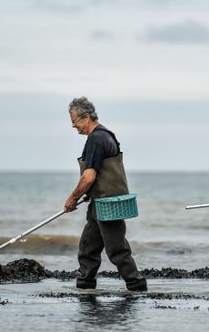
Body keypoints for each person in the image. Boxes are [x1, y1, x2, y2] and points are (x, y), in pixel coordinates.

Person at [63, 97, 147, 291]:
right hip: (98, 203)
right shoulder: (104, 135)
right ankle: (85, 286)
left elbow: (89, 177)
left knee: (117, 249)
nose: (73, 126)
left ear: (86, 117)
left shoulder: (97, 139)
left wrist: (72, 198)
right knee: (88, 247)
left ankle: (136, 286)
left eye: (74, 121)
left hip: (108, 203)